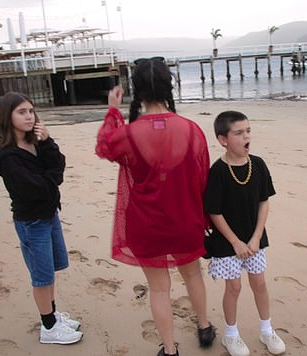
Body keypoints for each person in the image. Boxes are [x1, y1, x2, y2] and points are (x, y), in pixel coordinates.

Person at [95, 57, 215, 356]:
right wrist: (206, 219)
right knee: (193, 275)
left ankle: (171, 349)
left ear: (137, 89)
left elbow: (104, 146)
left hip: (146, 223)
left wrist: (113, 110)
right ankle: (204, 327)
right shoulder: (191, 130)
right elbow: (202, 178)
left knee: (160, 288)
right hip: (185, 219)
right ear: (168, 86)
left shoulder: (128, 134)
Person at [0, 92, 83, 345]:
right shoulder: (7, 156)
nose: (29, 116)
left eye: (31, 111)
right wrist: (53, 178)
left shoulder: (37, 143)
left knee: (50, 272)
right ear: (8, 117)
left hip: (49, 215)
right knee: (41, 278)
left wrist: (48, 141)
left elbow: (58, 163)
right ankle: (49, 328)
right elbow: (35, 188)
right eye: (22, 112)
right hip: (31, 222)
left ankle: (51, 314)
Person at [204, 110, 286, 356]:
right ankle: (231, 336)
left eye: (248, 131)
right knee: (234, 288)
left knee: (259, 283)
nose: (246, 136)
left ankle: (267, 329)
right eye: (238, 133)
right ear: (223, 139)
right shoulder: (218, 171)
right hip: (228, 242)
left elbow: (264, 201)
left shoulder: (258, 165)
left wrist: (256, 236)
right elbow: (214, 212)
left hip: (254, 239)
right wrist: (235, 242)